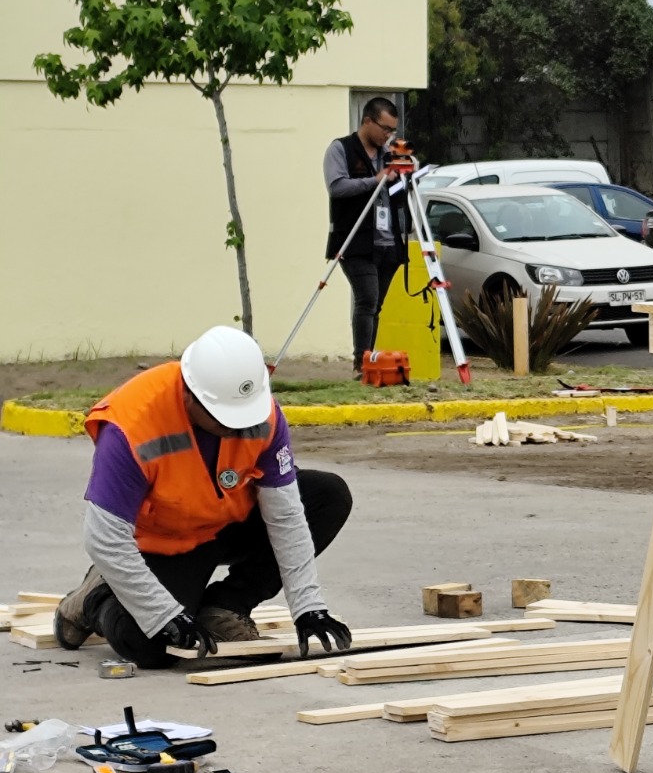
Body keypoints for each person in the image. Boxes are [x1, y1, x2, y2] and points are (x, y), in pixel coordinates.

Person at [51, 327, 354, 669]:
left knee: (327, 495)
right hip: (168, 541)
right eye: (223, 418)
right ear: (189, 395)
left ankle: (225, 607)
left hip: (228, 520)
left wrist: (307, 606)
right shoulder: (132, 424)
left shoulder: (260, 412)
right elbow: (105, 539)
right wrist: (164, 615)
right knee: (151, 646)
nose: (237, 428)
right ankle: (93, 598)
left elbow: (285, 515)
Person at [326, 97, 407, 373]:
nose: (388, 136)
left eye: (392, 131)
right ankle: (361, 362)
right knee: (367, 299)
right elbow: (337, 187)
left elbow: (398, 196)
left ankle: (369, 360)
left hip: (388, 242)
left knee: (376, 306)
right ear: (368, 121)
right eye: (385, 128)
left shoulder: (390, 153)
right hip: (355, 241)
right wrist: (376, 179)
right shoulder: (341, 149)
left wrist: (407, 177)